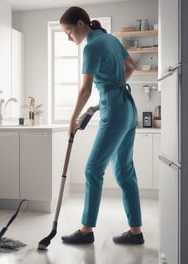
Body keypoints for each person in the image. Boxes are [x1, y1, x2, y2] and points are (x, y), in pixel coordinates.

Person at [59, 6, 144, 245]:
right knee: (125, 171)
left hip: (115, 111)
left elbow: (85, 89)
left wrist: (73, 120)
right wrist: (108, 93)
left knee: (93, 170)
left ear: (79, 24)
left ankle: (86, 231)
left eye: (68, 32)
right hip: (127, 106)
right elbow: (131, 67)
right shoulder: (110, 39)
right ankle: (136, 232)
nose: (68, 37)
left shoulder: (92, 46)